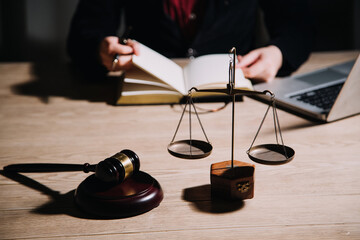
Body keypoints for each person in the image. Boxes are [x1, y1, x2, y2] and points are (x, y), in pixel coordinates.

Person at [67, 0, 314, 83]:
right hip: (146, 92)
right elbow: (82, 36)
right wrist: (100, 49)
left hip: (237, 97)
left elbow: (298, 26)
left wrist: (278, 53)